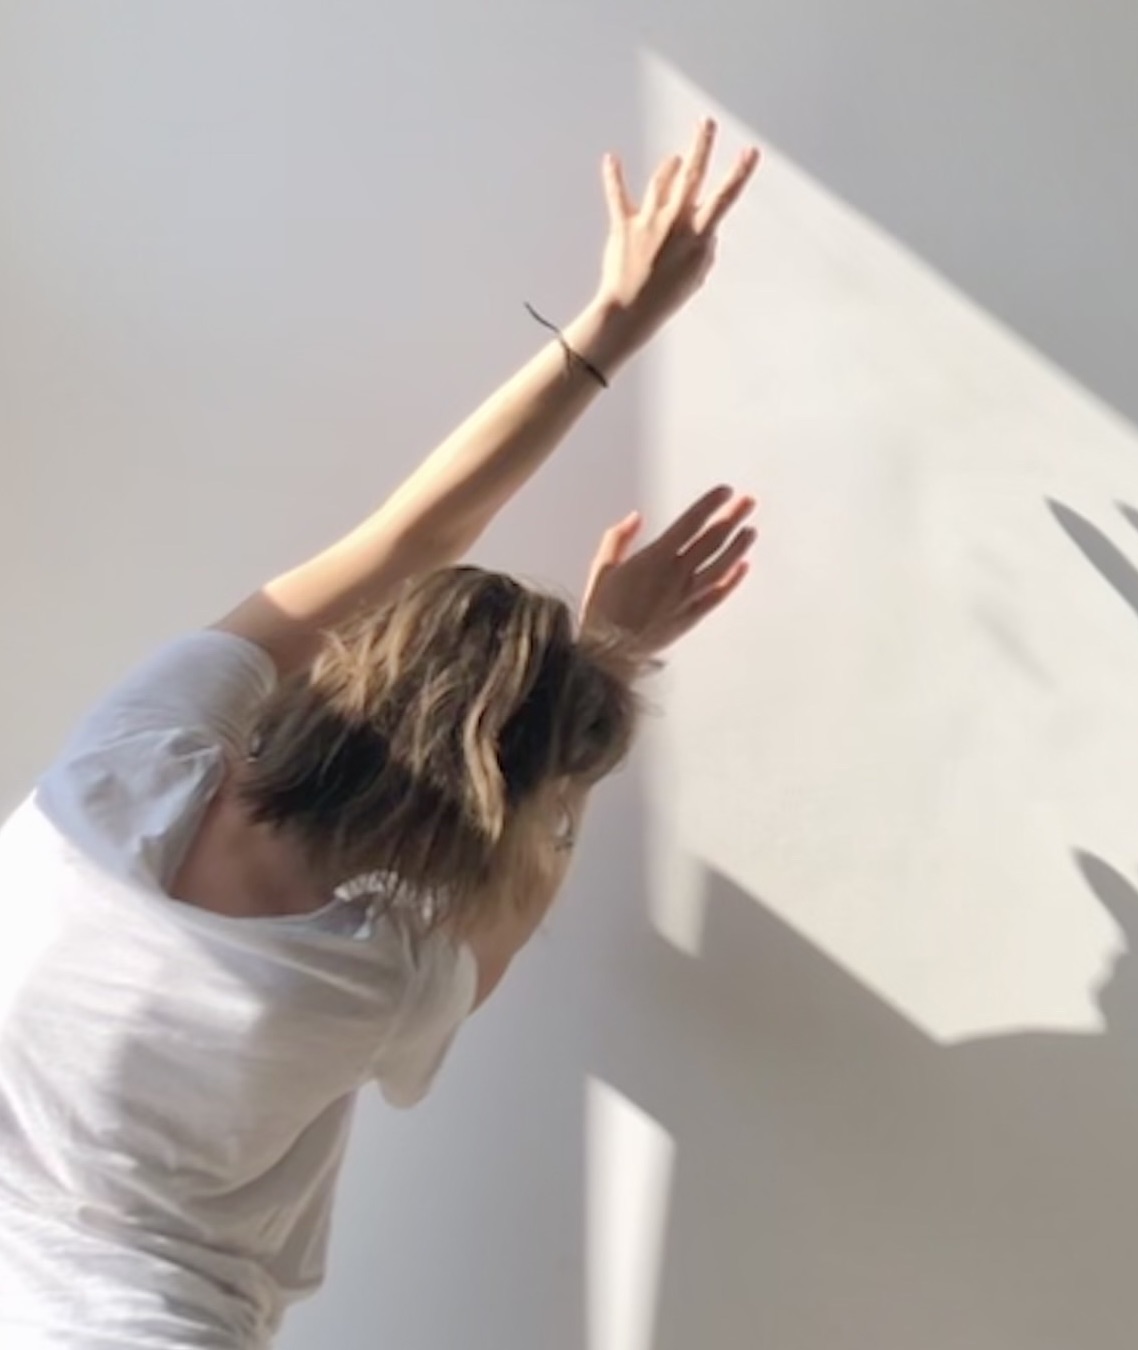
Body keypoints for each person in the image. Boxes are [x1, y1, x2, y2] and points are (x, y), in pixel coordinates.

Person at [0, 120, 761, 1349]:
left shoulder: (118, 773)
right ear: (493, 803)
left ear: (356, 662)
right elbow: (518, 894)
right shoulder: (375, 979)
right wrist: (613, 652)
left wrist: (611, 325)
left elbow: (408, 534)